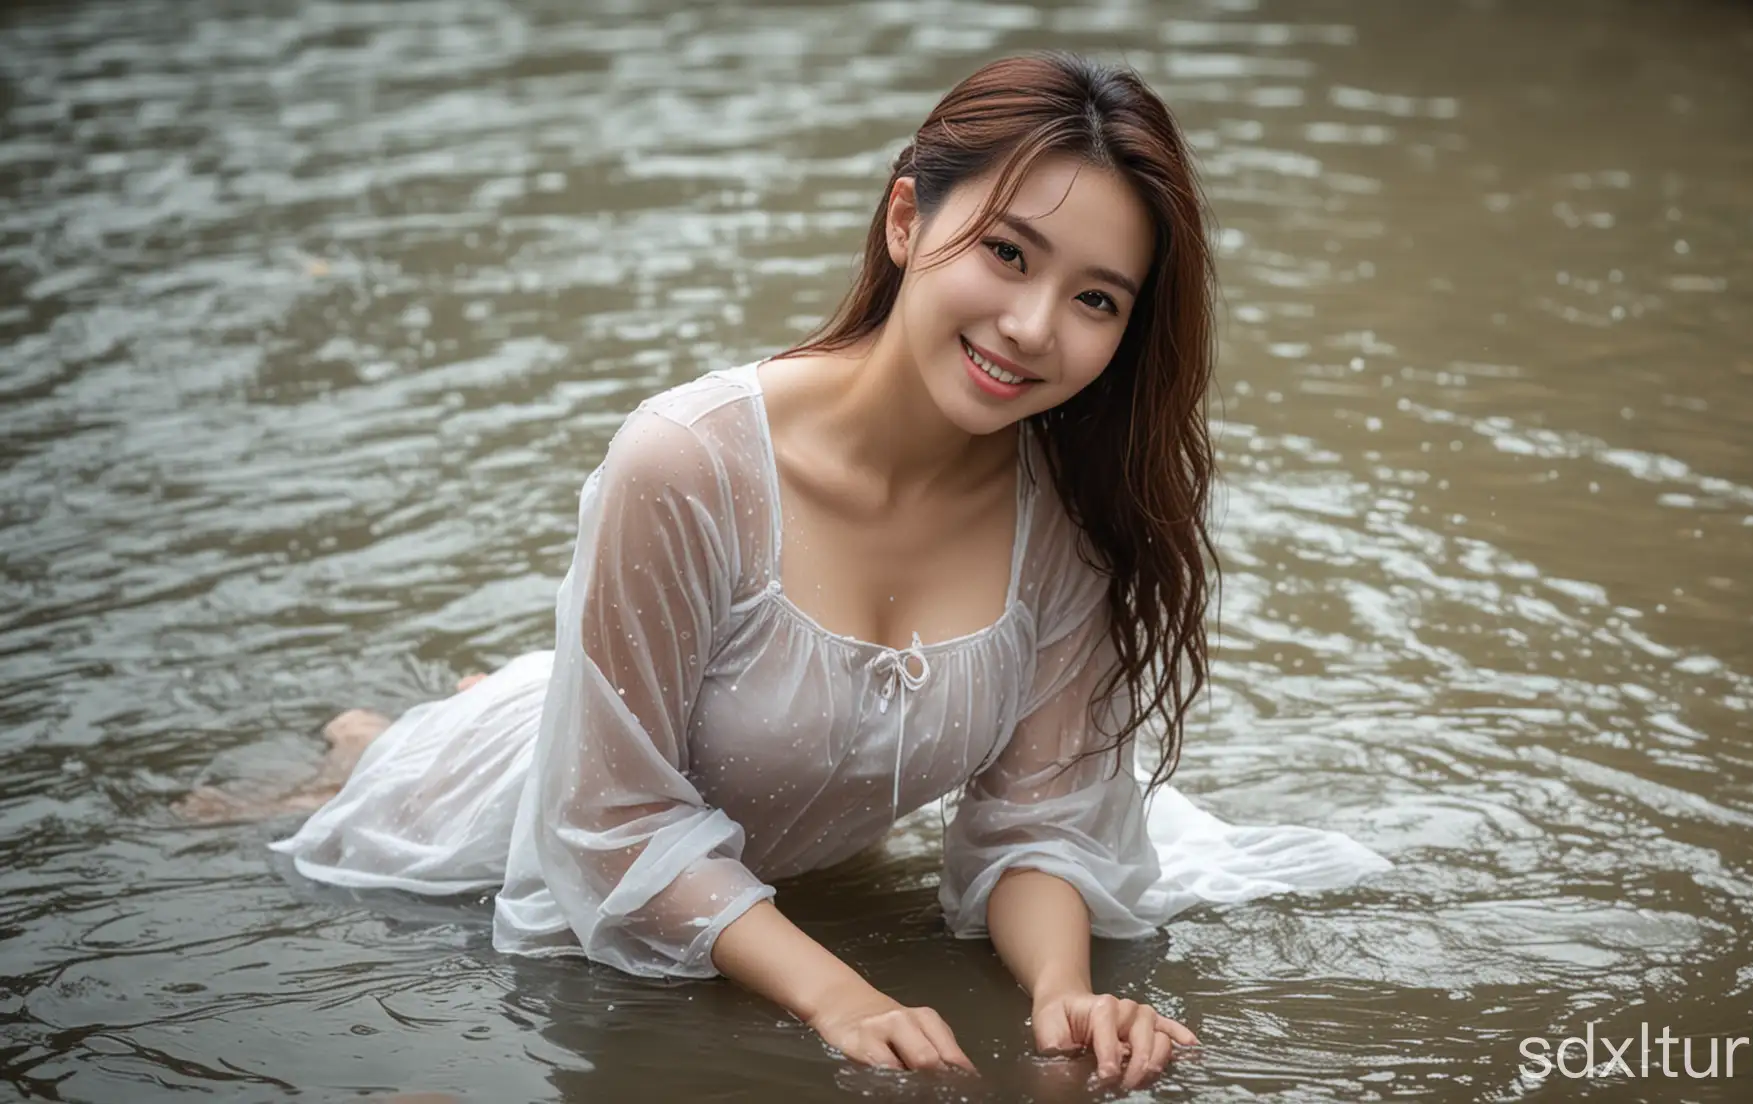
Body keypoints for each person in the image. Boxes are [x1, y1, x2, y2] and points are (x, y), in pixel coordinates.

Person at [179, 52, 1390, 1090]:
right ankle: (384, 744)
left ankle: (464, 702)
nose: (1033, 326)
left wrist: (1065, 996)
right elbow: (610, 825)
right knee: (334, 808)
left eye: (1095, 298)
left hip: (731, 787)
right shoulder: (688, 461)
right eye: (1008, 253)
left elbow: (1040, 821)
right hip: (504, 819)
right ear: (907, 219)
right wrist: (837, 995)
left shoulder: (1070, 525)